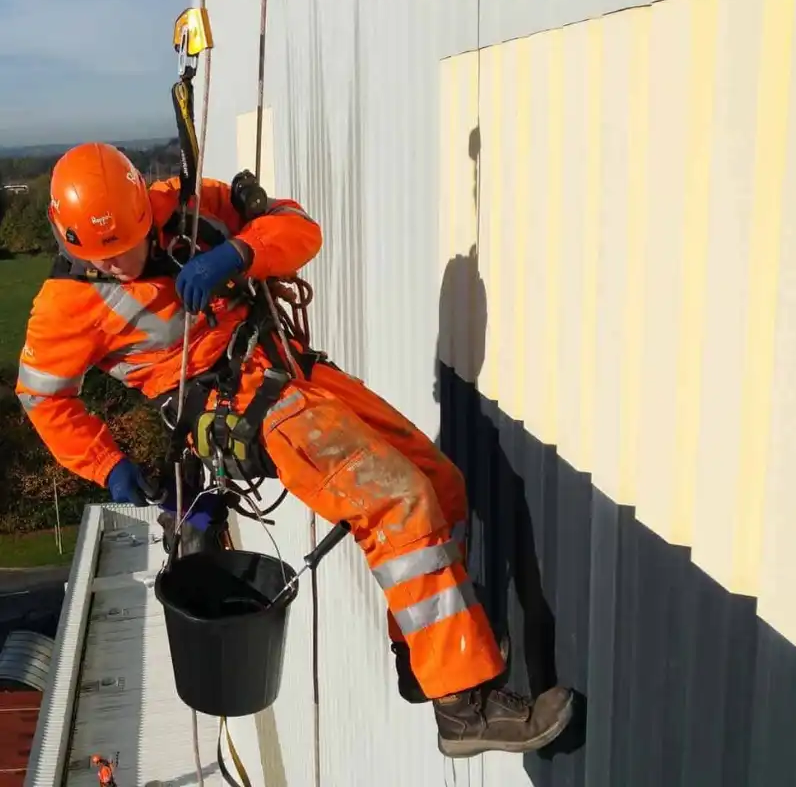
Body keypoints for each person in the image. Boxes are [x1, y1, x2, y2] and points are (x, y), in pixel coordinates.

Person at [16, 142, 573, 758]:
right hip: (245, 410)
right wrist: (109, 465)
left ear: (144, 210)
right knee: (398, 501)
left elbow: (300, 229)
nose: (120, 264)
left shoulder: (190, 208)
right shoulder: (62, 311)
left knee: (438, 483)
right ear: (66, 241)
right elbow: (43, 399)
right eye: (101, 255)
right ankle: (463, 704)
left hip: (292, 368)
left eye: (127, 245)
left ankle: (423, 656)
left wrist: (239, 251)